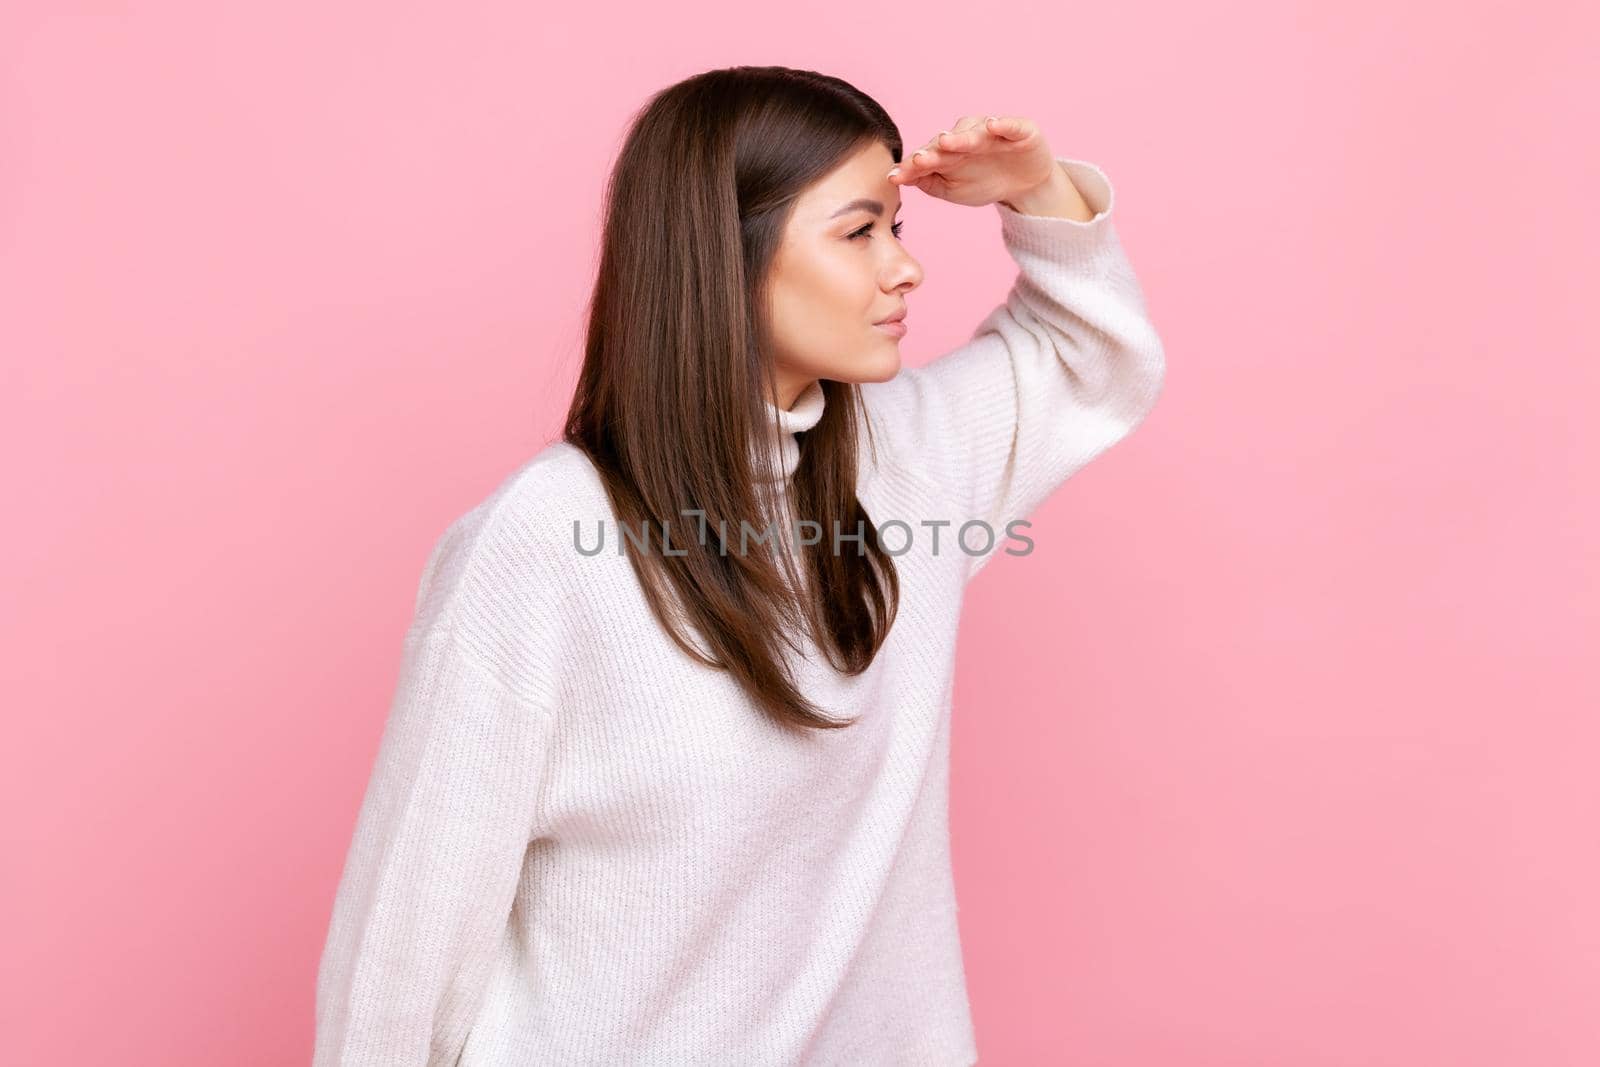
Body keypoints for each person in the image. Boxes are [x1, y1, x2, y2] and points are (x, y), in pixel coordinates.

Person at [313, 64, 1166, 1065]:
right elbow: (409, 937)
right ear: (726, 253)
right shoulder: (544, 540)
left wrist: (1037, 188)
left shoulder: (903, 467)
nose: (904, 269)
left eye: (899, 229)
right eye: (859, 232)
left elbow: (1087, 358)